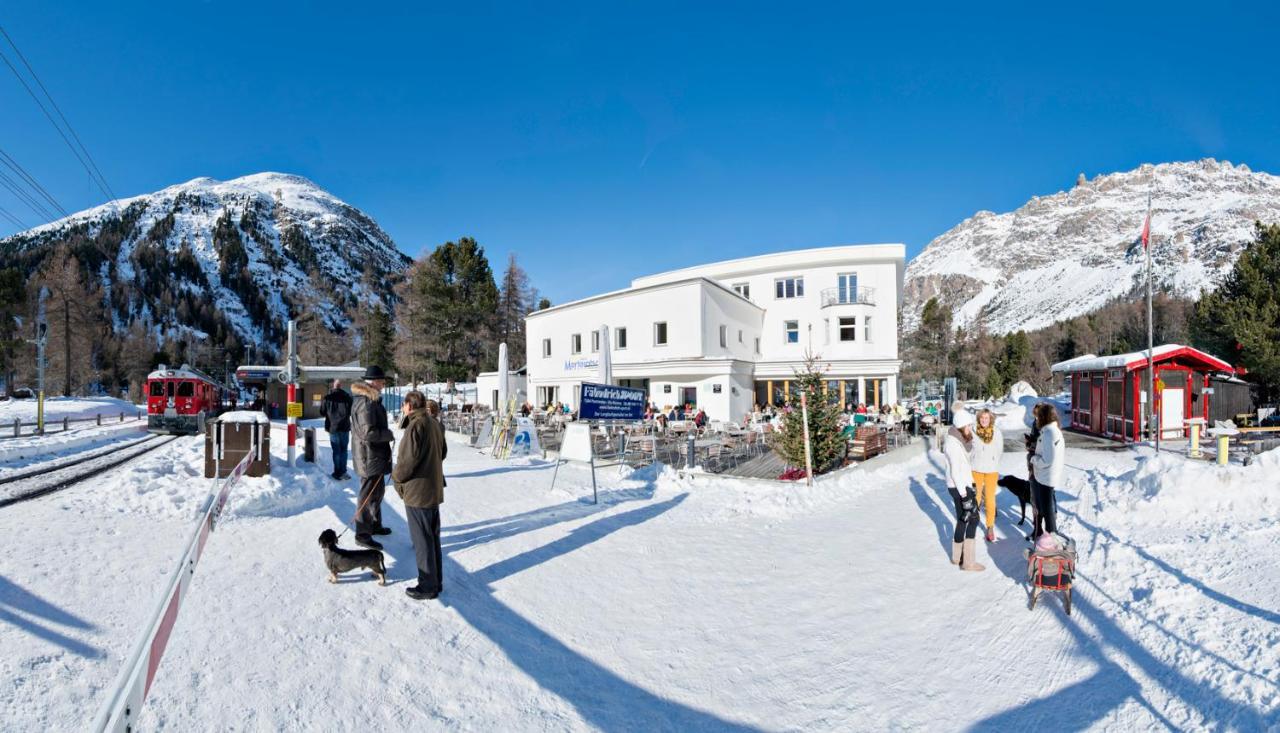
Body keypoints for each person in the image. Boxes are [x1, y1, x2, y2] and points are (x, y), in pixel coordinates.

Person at [392, 391, 448, 601]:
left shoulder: (415, 425)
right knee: (432, 538)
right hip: (433, 489)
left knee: (423, 540)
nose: (403, 409)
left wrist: (396, 477)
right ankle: (435, 581)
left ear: (408, 405)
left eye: (403, 405)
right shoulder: (433, 423)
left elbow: (407, 462)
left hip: (418, 492)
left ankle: (427, 585)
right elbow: (442, 452)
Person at [350, 365, 395, 550]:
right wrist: (388, 434)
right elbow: (369, 433)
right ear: (373, 382)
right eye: (382, 381)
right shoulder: (366, 402)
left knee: (377, 492)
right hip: (369, 457)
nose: (383, 385)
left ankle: (374, 524)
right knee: (367, 495)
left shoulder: (369, 400)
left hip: (373, 456)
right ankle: (362, 534)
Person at [943, 405, 985, 571]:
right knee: (973, 518)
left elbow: (964, 466)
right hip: (958, 486)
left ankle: (956, 557)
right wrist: (965, 496)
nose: (970, 428)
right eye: (968, 426)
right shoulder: (953, 444)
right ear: (961, 426)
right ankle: (968, 562)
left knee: (963, 518)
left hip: (962, 484)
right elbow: (955, 471)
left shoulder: (959, 439)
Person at [1030, 403, 1065, 539]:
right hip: (1047, 475)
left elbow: (1048, 459)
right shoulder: (1051, 431)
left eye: (1039, 416)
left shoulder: (1049, 433)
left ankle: (1052, 539)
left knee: (1047, 510)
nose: (1037, 419)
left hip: (1046, 476)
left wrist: (1034, 459)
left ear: (1043, 417)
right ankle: (1050, 537)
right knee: (1045, 508)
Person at [969, 408, 1004, 542]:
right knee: (976, 498)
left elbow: (1000, 450)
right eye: (982, 418)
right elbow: (969, 448)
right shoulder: (973, 431)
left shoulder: (996, 432)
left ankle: (990, 526)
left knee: (990, 499)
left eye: (986, 418)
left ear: (991, 419)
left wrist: (993, 460)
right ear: (979, 418)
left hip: (991, 470)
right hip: (975, 468)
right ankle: (973, 522)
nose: (984, 420)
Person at [320, 379, 353, 480]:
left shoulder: (327, 398)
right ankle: (343, 471)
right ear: (341, 386)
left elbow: (322, 412)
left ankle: (337, 472)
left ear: (334, 386)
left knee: (336, 451)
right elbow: (352, 411)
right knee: (344, 450)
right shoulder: (347, 398)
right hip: (345, 427)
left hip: (332, 428)